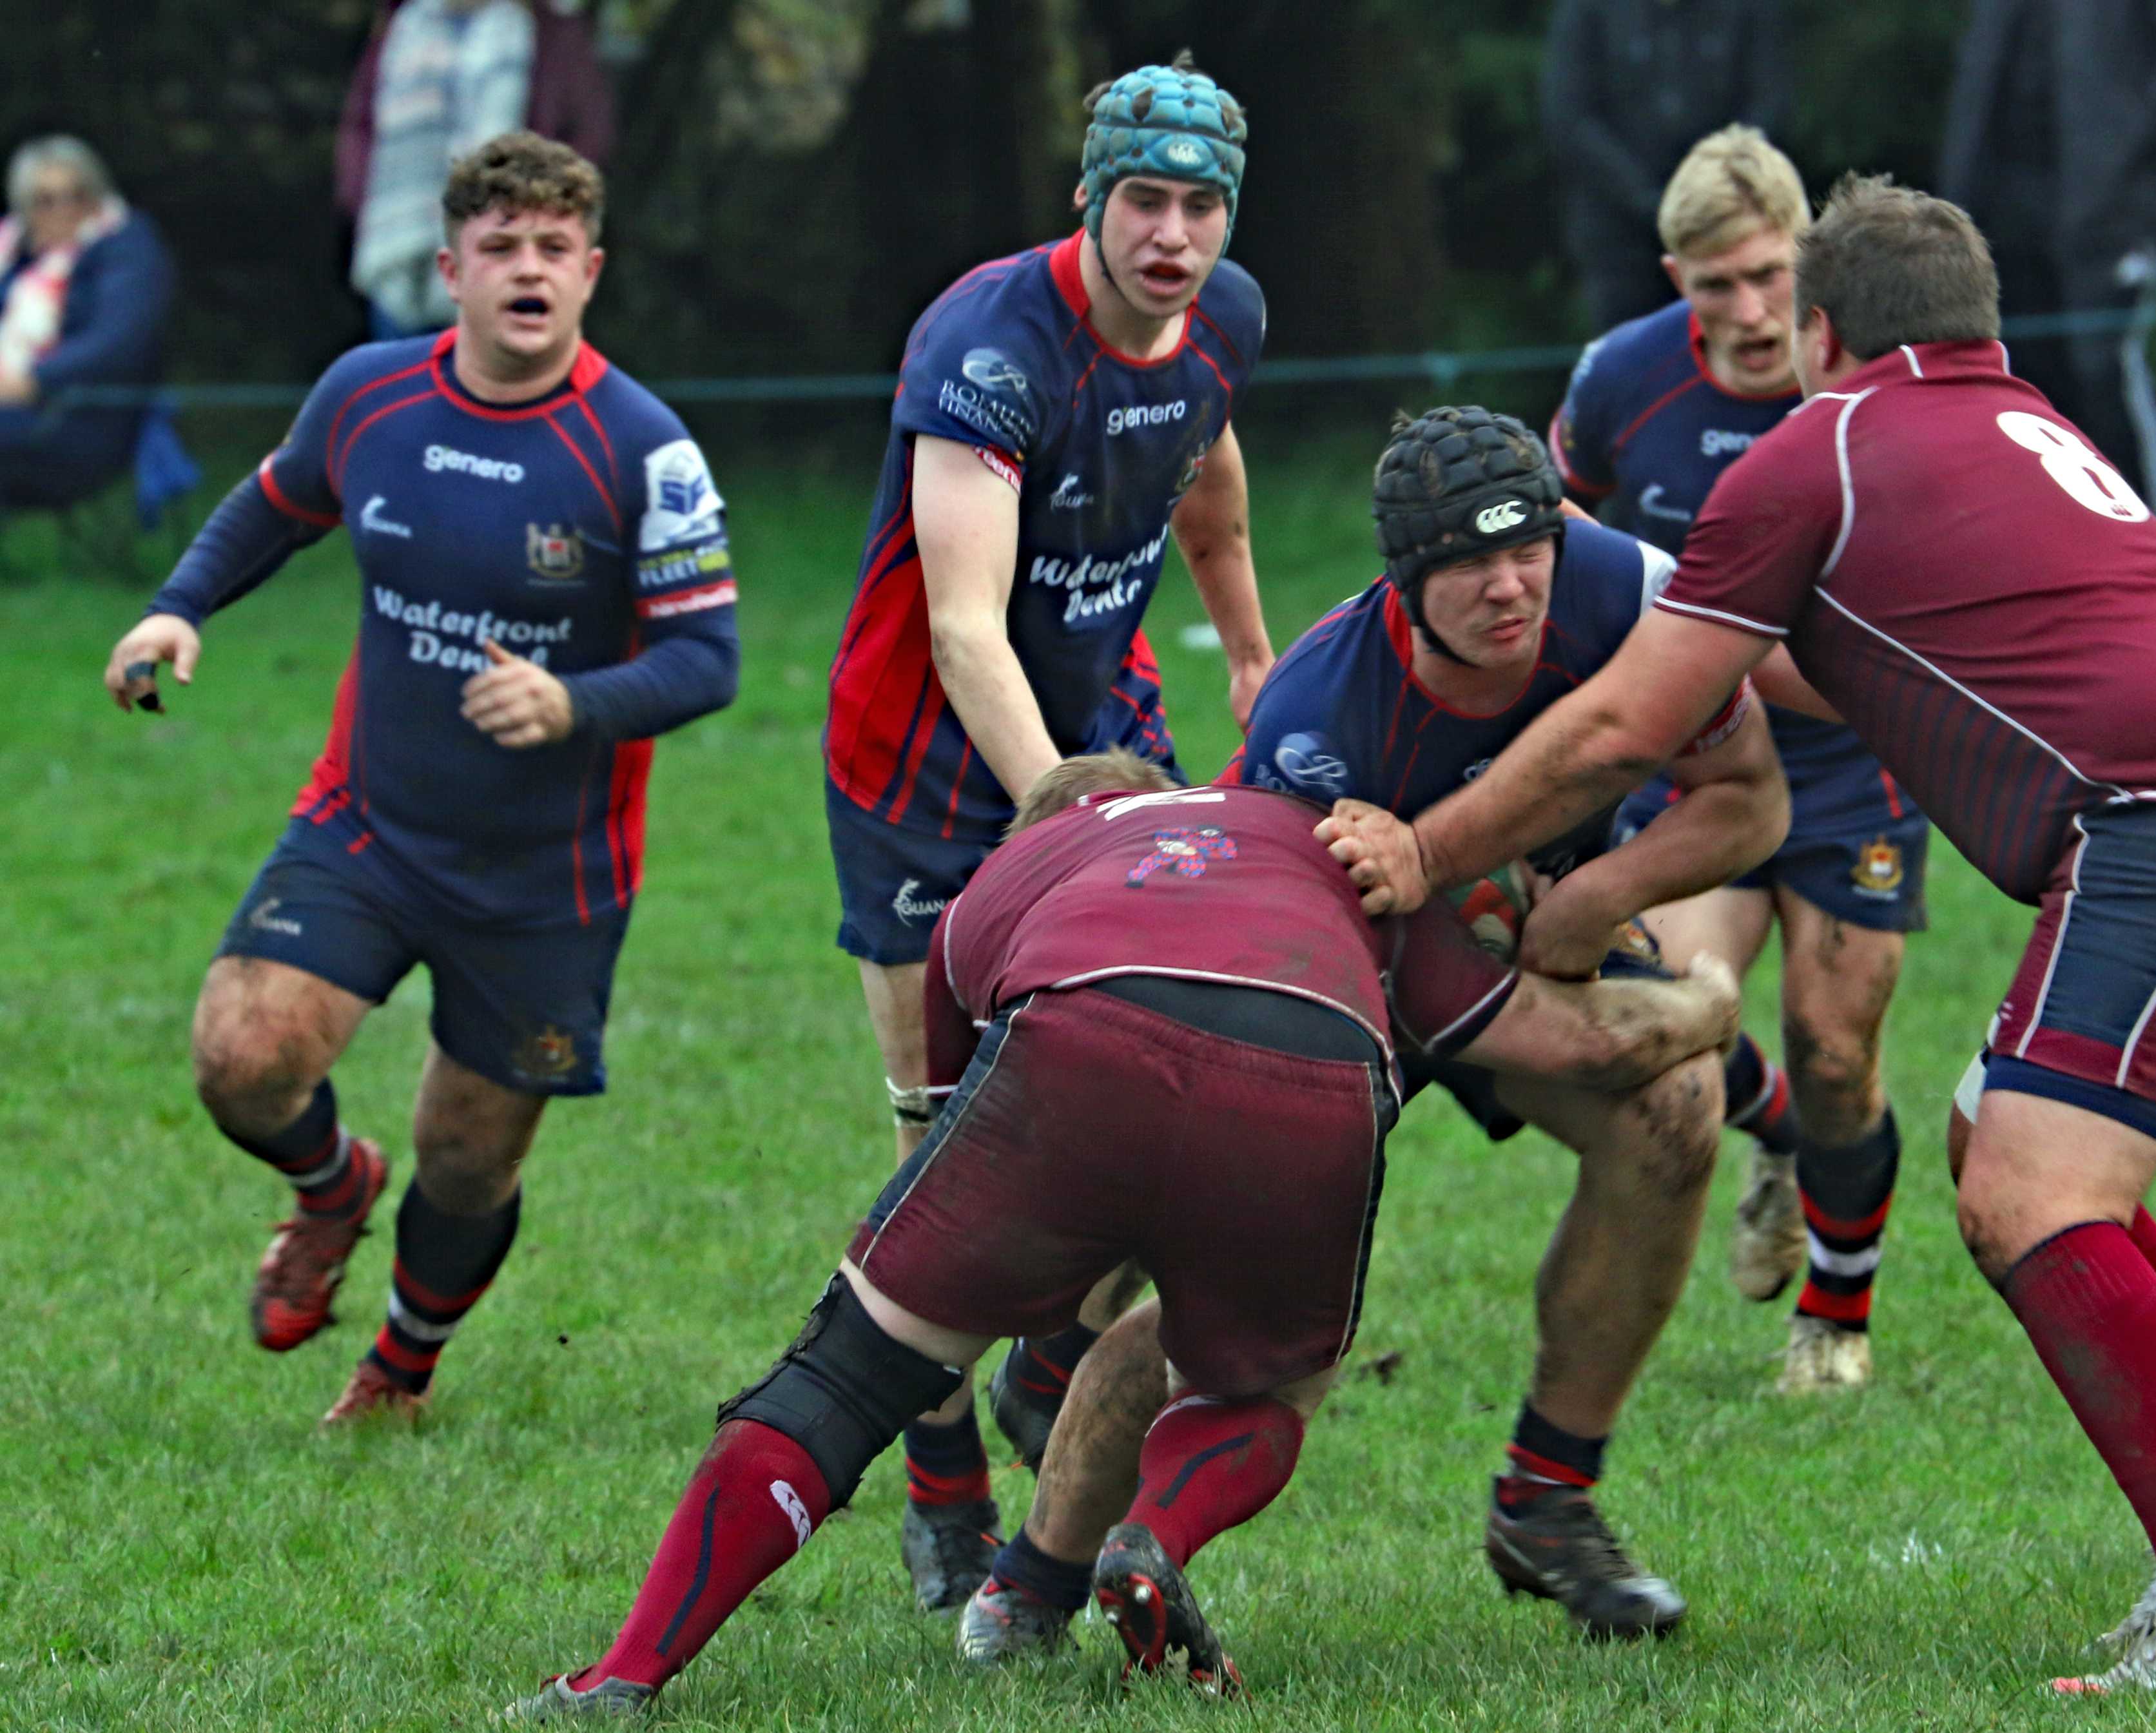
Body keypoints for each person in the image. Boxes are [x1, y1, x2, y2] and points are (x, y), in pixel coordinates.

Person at [1322, 175, 2156, 1693]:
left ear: (1821, 328)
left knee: (2033, 1194)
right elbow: (1868, 668)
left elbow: (1634, 718)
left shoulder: (1808, 448)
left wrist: (1426, 848)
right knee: (1990, 1136)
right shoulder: (2029, 424)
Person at [503, 753, 1746, 1718]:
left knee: (838, 1370)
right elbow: (1541, 1033)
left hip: (1077, 1049)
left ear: (1041, 831)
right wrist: (1703, 1003)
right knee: (1265, 1376)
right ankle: (1154, 1535)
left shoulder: (1000, 882)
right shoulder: (1320, 840)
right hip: (1305, 1071)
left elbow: (955, 1123)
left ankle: (623, 1671)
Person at [949, 405, 1787, 1654]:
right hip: (1339, 981)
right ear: (1405, 583)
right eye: (1466, 566)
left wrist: (1601, 897)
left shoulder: (1624, 588)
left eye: (1527, 552)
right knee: (1237, 1304)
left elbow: (1749, 804)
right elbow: (1324, 942)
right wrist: (1532, 954)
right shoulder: (1318, 717)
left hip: (1516, 937)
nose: (1510, 590)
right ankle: (1036, 1573)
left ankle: (1547, 1498)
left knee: (1673, 1117)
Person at [101, 133, 739, 1428]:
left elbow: (708, 661)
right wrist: (179, 609)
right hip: (369, 827)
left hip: (545, 878)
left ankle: (399, 1367)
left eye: (553, 249)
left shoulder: (644, 451)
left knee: (466, 1162)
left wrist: (576, 703)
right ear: (450, 269)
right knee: (241, 1059)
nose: (528, 269)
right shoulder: (369, 397)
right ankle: (334, 1188)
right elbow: (278, 502)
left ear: (590, 272)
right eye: (500, 246)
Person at [820, 52, 1275, 1609]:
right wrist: (1057, 809)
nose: (1173, 232)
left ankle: (1053, 1359)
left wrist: (1261, 669)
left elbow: (1205, 478)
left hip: (1104, 723)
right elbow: (961, 628)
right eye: (1144, 199)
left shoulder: (1225, 320)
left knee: (1153, 1074)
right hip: (923, 768)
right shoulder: (990, 348)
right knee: (942, 1146)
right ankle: (942, 1483)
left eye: (1200, 204)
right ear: (1087, 202)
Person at [1553, 123, 1930, 1393]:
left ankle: (1834, 1317)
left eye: (1773, 275)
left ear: (1810, 262)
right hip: (1699, 763)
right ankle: (1777, 1149)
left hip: (1852, 767)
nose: (1755, 311)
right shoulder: (1625, 381)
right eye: (1718, 285)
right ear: (1677, 280)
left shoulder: (1877, 382)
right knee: (1666, 1010)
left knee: (1835, 1051)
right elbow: (1558, 519)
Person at [1937, 0, 2156, 532]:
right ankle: (2052, 550)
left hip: (2107, 206)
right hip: (2002, 208)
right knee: (2022, 382)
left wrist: (2125, 149)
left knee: (2103, 372)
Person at [340, 0, 617, 339]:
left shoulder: (549, 31)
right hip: (403, 255)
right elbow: (360, 127)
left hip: (514, 257)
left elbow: (588, 135)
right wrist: (364, 201)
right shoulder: (401, 26)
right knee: (405, 382)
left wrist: (540, 215)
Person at [1541, 0, 1790, 331]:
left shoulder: (1746, 10)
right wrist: (1644, 197)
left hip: (1727, 226)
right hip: (1620, 240)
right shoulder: (1588, 11)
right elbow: (1569, 118)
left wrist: (1718, 181)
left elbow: (1769, 104)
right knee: (1632, 363)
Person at [0, 135, 175, 510]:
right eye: (45, 200)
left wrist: (32, 379)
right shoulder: (12, 255)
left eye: (77, 194)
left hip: (77, 419)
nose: (64, 209)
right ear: (24, 208)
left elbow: (119, 341)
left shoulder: (125, 246)